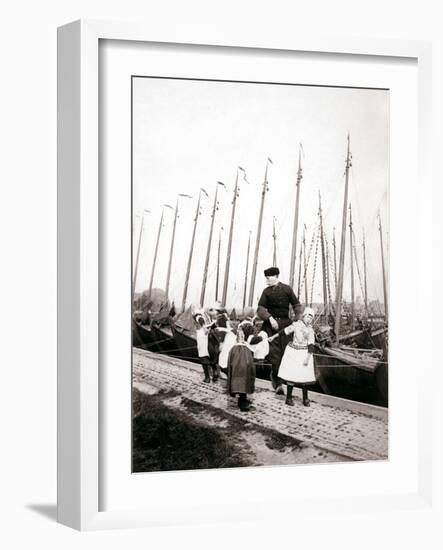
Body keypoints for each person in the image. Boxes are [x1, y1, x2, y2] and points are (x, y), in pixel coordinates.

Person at [256, 266, 301, 395]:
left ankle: (286, 381)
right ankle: (278, 384)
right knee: (275, 356)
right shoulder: (266, 292)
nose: (267, 280)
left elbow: (297, 305)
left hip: (286, 326)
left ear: (276, 276)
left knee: (286, 354)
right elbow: (260, 309)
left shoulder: (287, 289)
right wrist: (270, 319)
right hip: (271, 327)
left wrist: (297, 319)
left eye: (268, 278)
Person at [269, 306, 316, 406]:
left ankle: (305, 398)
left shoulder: (311, 330)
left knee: (305, 376)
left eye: (311, 318)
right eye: (308, 317)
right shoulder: (296, 325)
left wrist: (308, 358)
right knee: (292, 375)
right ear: (304, 316)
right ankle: (289, 398)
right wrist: (273, 337)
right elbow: (284, 331)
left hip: (304, 353)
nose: (309, 319)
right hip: (294, 352)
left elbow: (311, 345)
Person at [227, 321, 264, 412]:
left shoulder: (237, 342)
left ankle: (241, 399)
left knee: (239, 375)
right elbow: (257, 339)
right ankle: (243, 403)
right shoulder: (247, 342)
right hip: (242, 354)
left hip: (236, 353)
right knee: (244, 376)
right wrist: (264, 337)